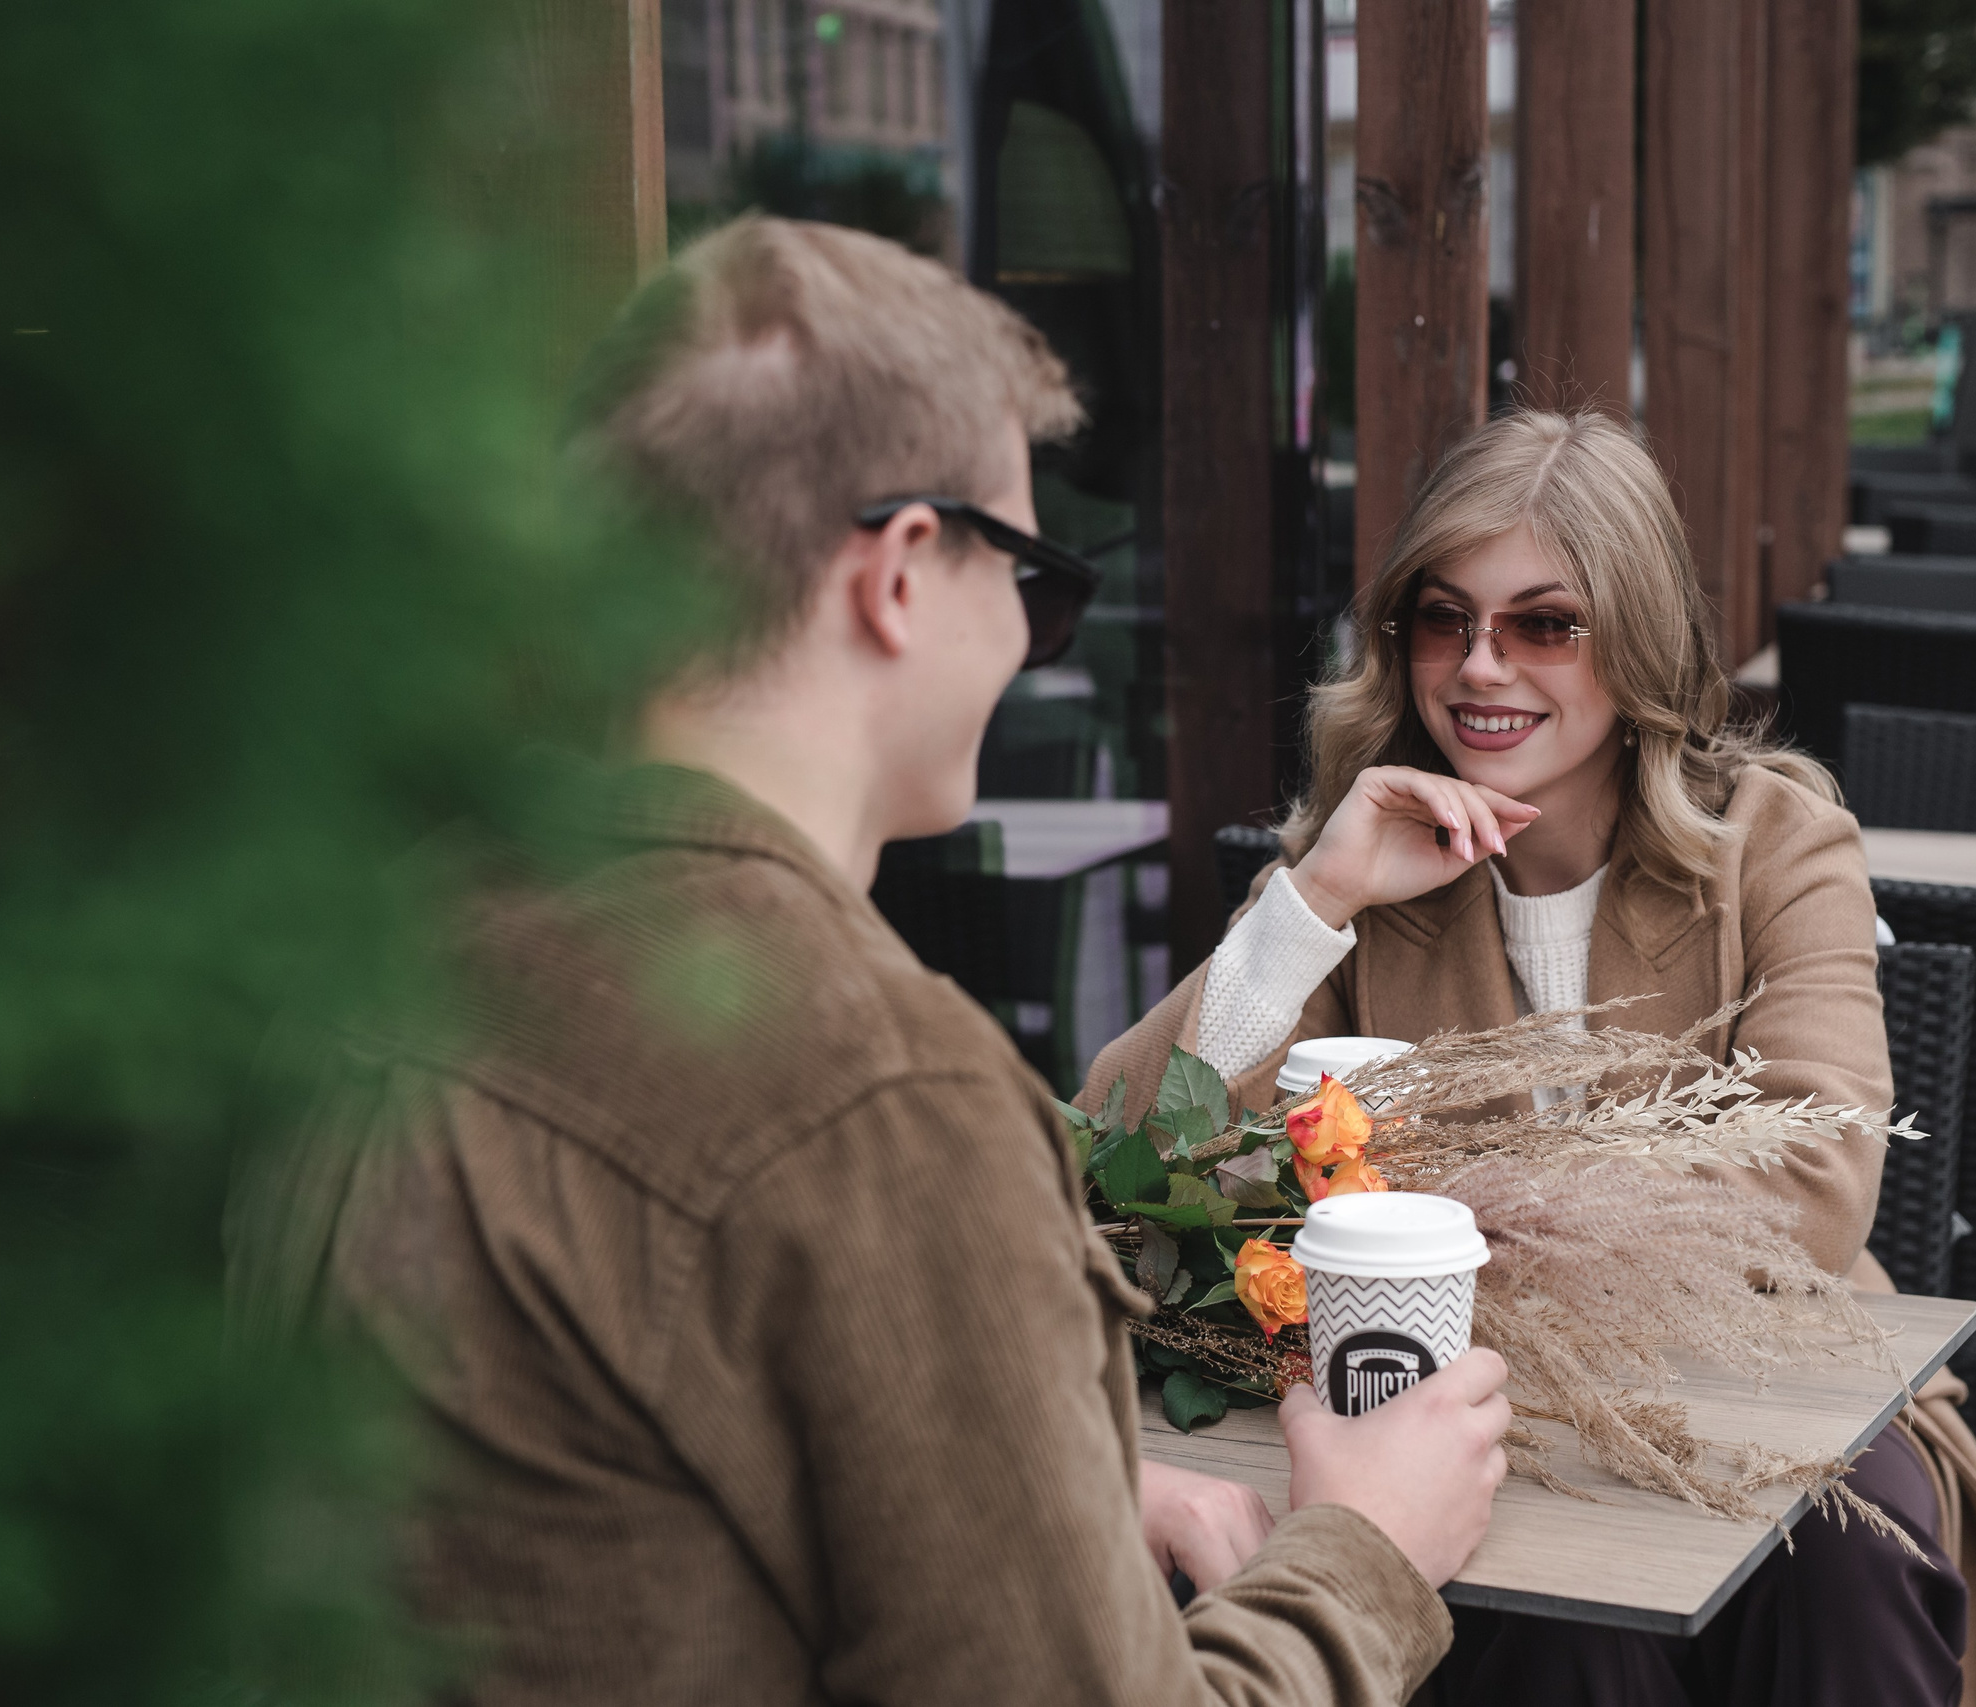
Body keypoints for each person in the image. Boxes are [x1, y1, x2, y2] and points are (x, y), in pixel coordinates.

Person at [227, 214, 1515, 1706]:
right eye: (1030, 574)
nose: (1032, 638)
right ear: (903, 570)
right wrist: (1364, 1546)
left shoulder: (382, 958)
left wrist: (1075, 1502)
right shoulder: (883, 1100)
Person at [1084, 409, 1976, 1707]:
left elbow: (1814, 1189)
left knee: (1844, 1569)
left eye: (1546, 623)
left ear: (1636, 637)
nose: (1483, 666)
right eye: (1445, 617)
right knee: (1560, 1626)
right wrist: (1312, 901)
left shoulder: (1775, 842)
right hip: (1469, 1413)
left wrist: (1455, 1216)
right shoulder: (1364, 862)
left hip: (1770, 1385)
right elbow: (1122, 1153)